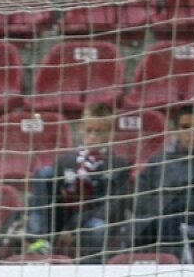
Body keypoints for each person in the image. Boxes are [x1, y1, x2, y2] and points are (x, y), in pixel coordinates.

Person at [25, 102, 132, 262]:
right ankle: (39, 238)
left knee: (98, 227)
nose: (93, 136)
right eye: (89, 130)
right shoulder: (67, 160)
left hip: (93, 220)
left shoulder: (118, 164)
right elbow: (50, 196)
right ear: (82, 129)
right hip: (63, 219)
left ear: (110, 133)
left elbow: (112, 207)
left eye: (99, 131)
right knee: (45, 173)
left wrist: (73, 228)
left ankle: (89, 267)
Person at [130, 104, 194, 263]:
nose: (191, 133)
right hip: (162, 221)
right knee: (143, 226)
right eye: (185, 127)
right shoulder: (158, 162)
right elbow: (141, 200)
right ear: (176, 131)